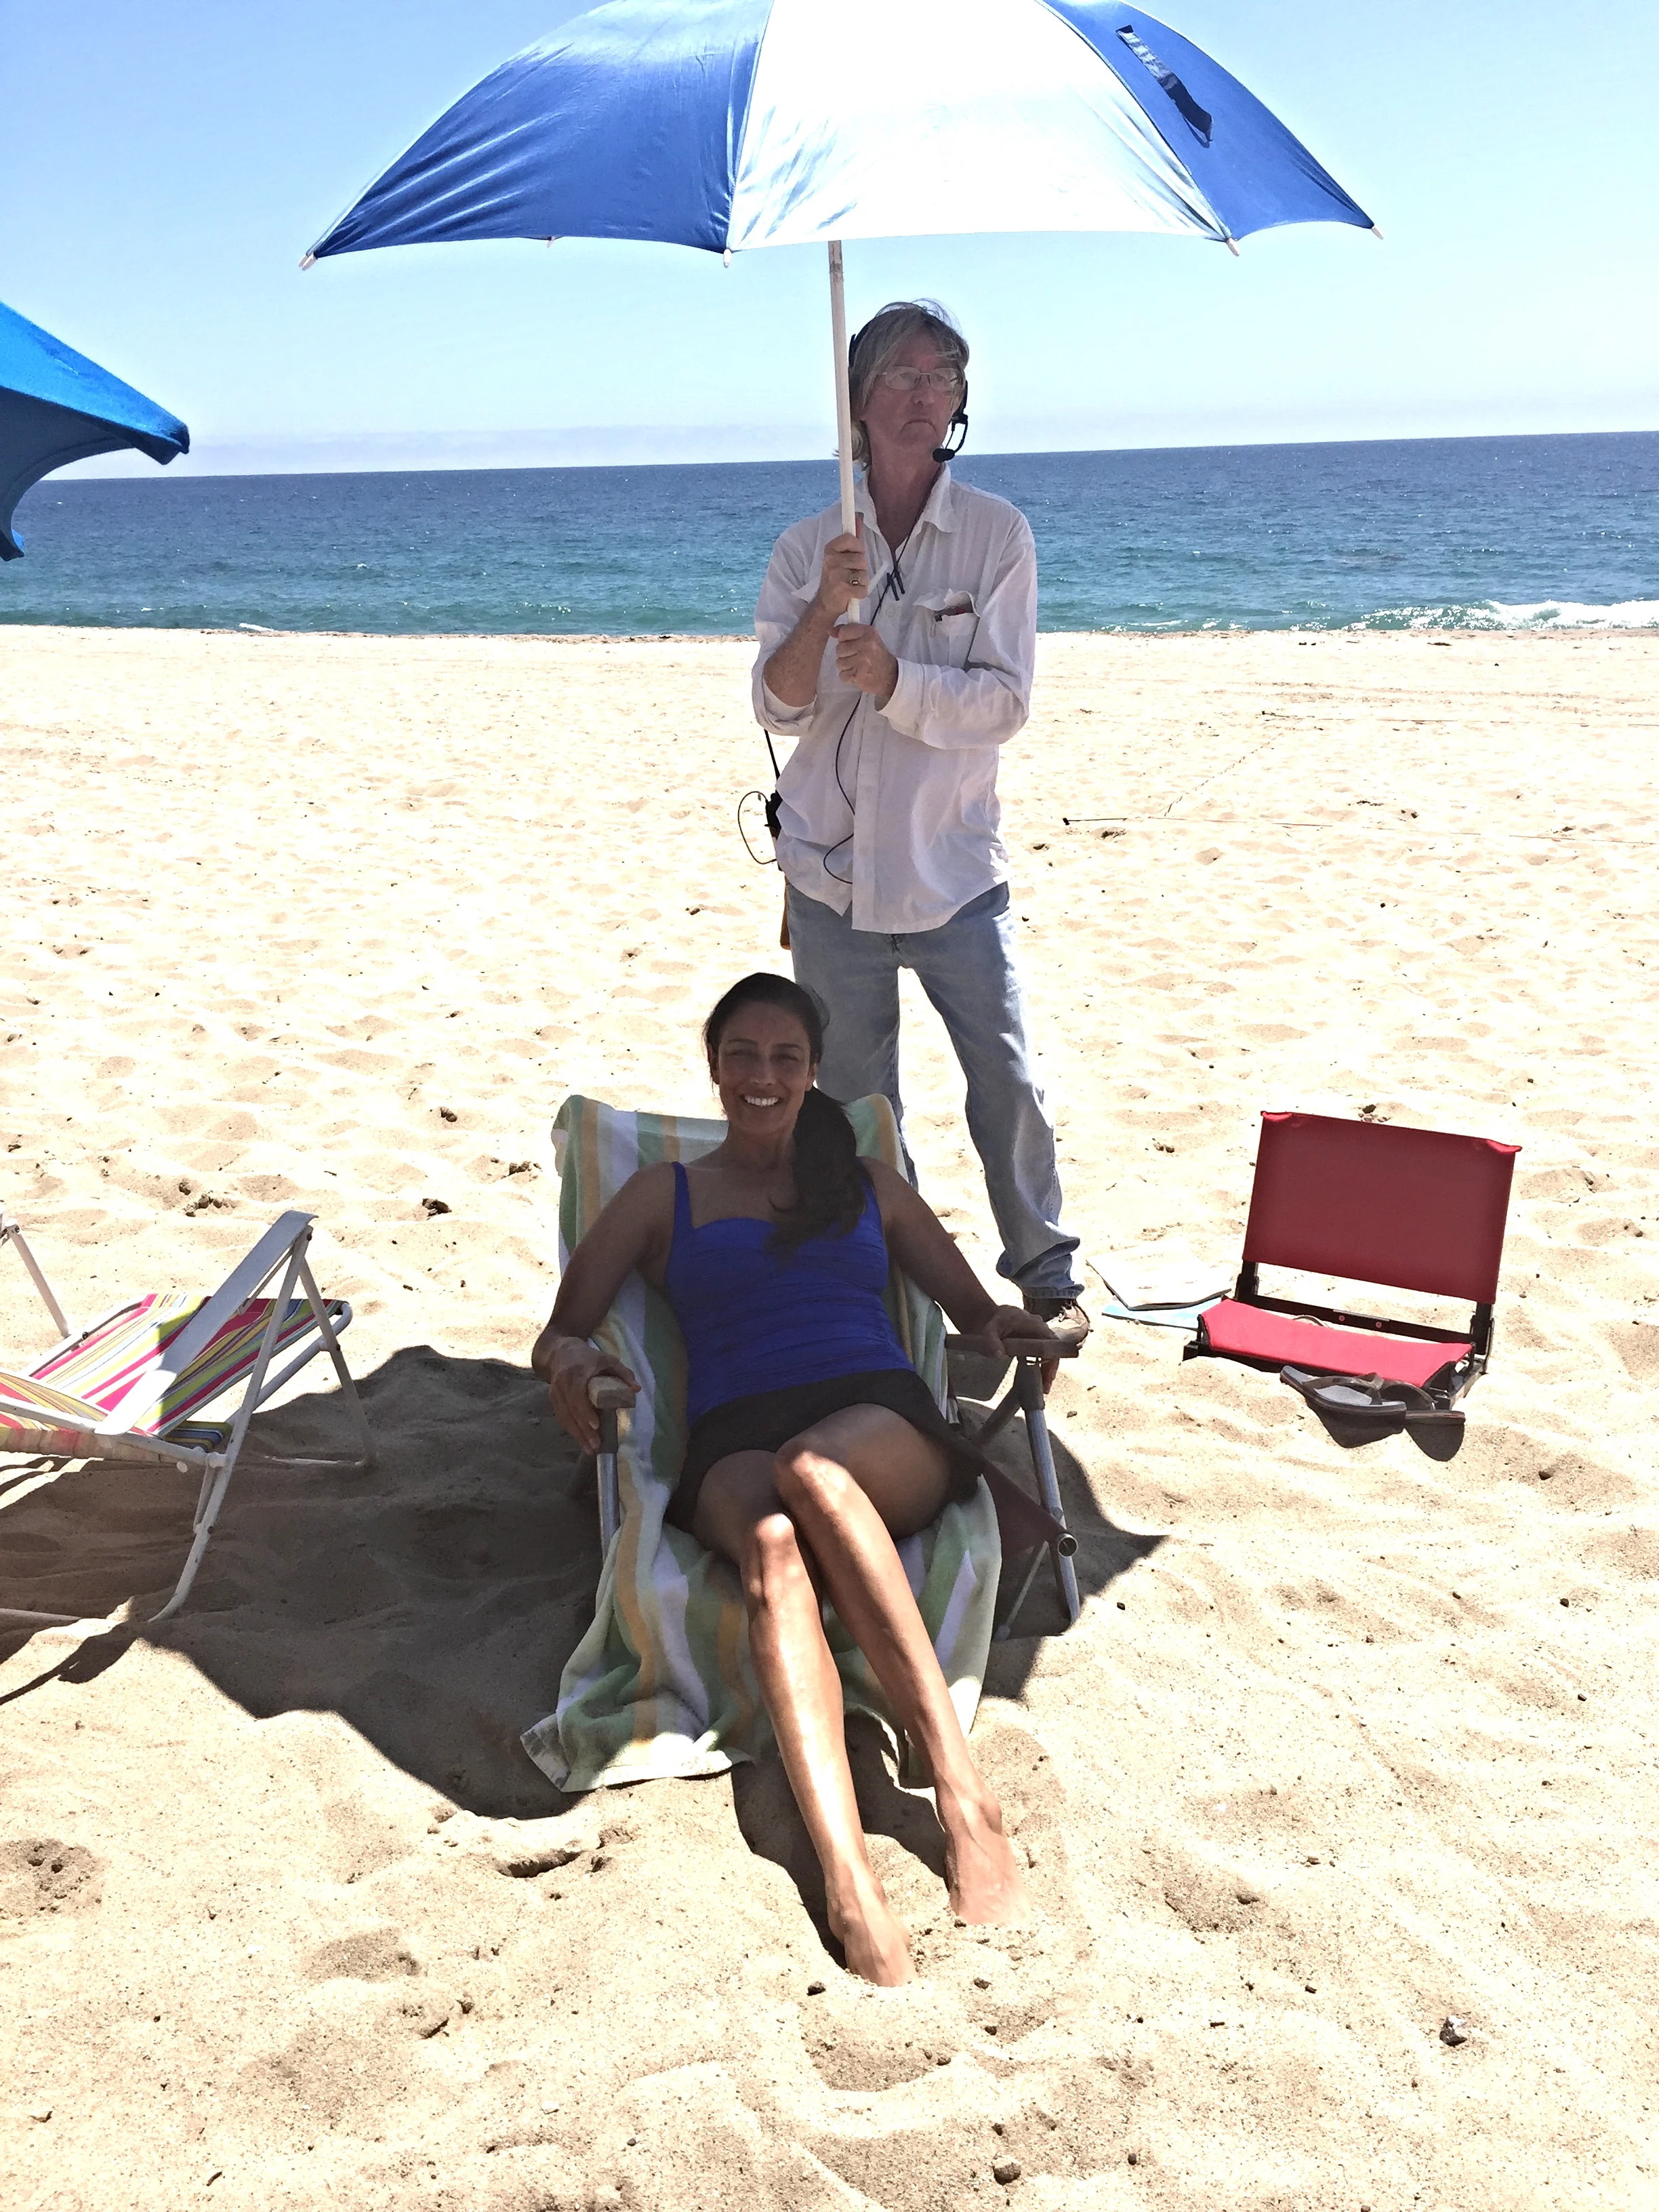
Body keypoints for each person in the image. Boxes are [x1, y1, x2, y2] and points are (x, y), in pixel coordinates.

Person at [533, 972, 1059, 1986]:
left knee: (813, 1471)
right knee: (772, 1540)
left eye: (784, 1058)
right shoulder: (662, 1196)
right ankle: (848, 1876)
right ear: (715, 1068)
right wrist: (570, 1364)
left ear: (814, 1072)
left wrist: (1010, 1328)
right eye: (742, 1057)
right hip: (732, 1436)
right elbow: (560, 1330)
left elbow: (971, 1313)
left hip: (876, 1418)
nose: (762, 1078)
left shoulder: (865, 1186)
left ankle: (959, 1792)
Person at [753, 298, 1088, 1347]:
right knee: (855, 1105)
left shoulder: (997, 535)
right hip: (830, 877)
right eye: (901, 375)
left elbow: (1006, 703)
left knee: (1007, 1078)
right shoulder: (809, 545)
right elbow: (777, 704)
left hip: (950, 868)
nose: (924, 395)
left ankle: (1045, 1274)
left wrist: (899, 679)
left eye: (943, 376)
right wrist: (823, 610)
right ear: (855, 401)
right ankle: (888, 1282)